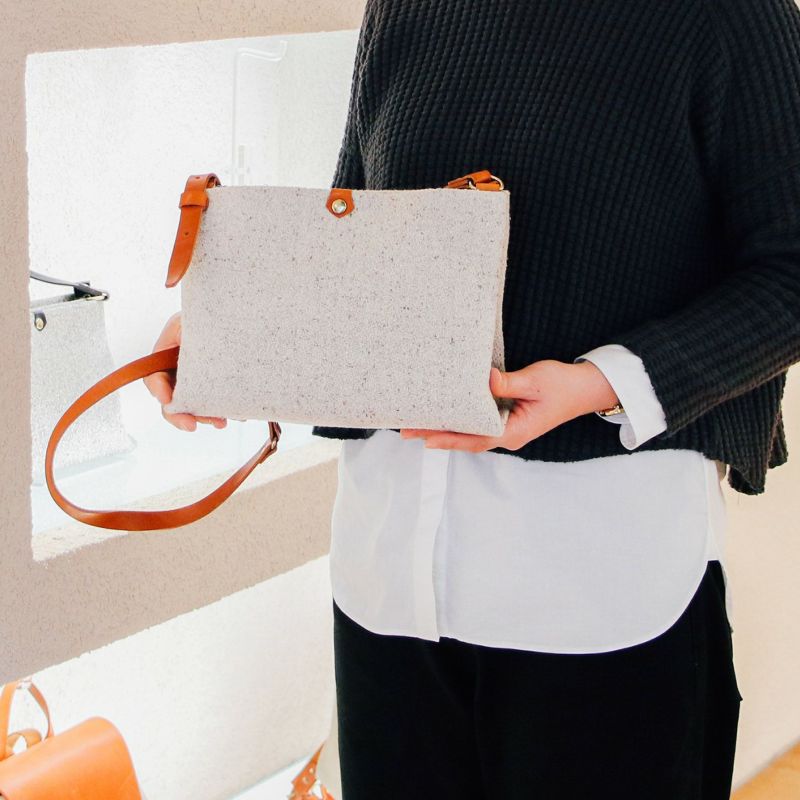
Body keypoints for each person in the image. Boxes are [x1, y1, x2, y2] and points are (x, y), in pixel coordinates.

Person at [147, 0, 800, 797]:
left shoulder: (732, 16)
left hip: (601, 592)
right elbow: (360, 241)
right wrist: (227, 332)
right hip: (387, 582)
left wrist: (602, 383)